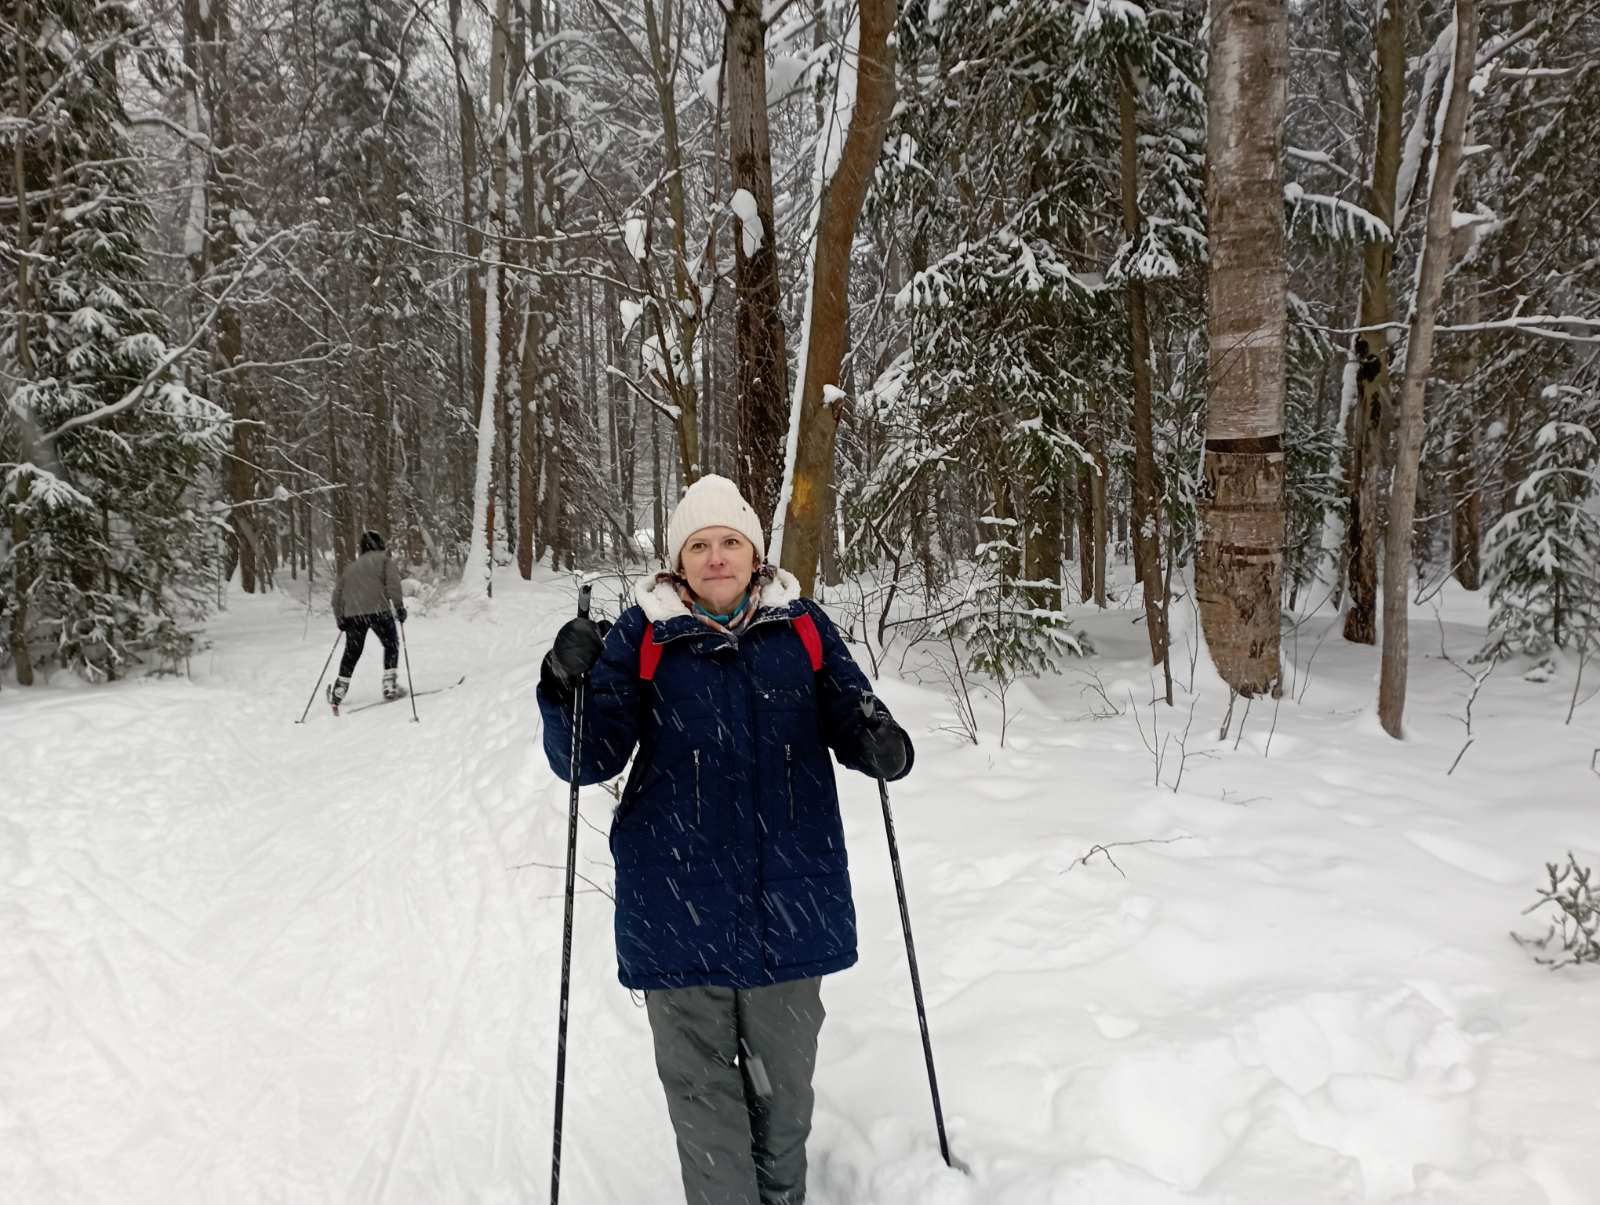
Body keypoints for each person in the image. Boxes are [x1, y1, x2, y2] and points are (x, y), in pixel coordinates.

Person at [536, 474, 913, 1205]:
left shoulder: (802, 628)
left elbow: (854, 714)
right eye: (700, 545)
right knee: (704, 1105)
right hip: (674, 908)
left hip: (791, 903)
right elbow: (588, 757)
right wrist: (564, 681)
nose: (716, 557)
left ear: (754, 553)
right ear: (679, 561)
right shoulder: (642, 635)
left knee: (784, 1101)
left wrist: (882, 742)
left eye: (730, 542)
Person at [329, 530, 406, 707]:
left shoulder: (351, 568)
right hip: (379, 611)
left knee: (352, 652)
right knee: (391, 644)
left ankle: (339, 690)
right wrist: (399, 606)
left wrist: (340, 617)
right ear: (380, 544)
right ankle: (389, 684)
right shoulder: (384, 561)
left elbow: (337, 596)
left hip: (354, 615)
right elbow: (393, 585)